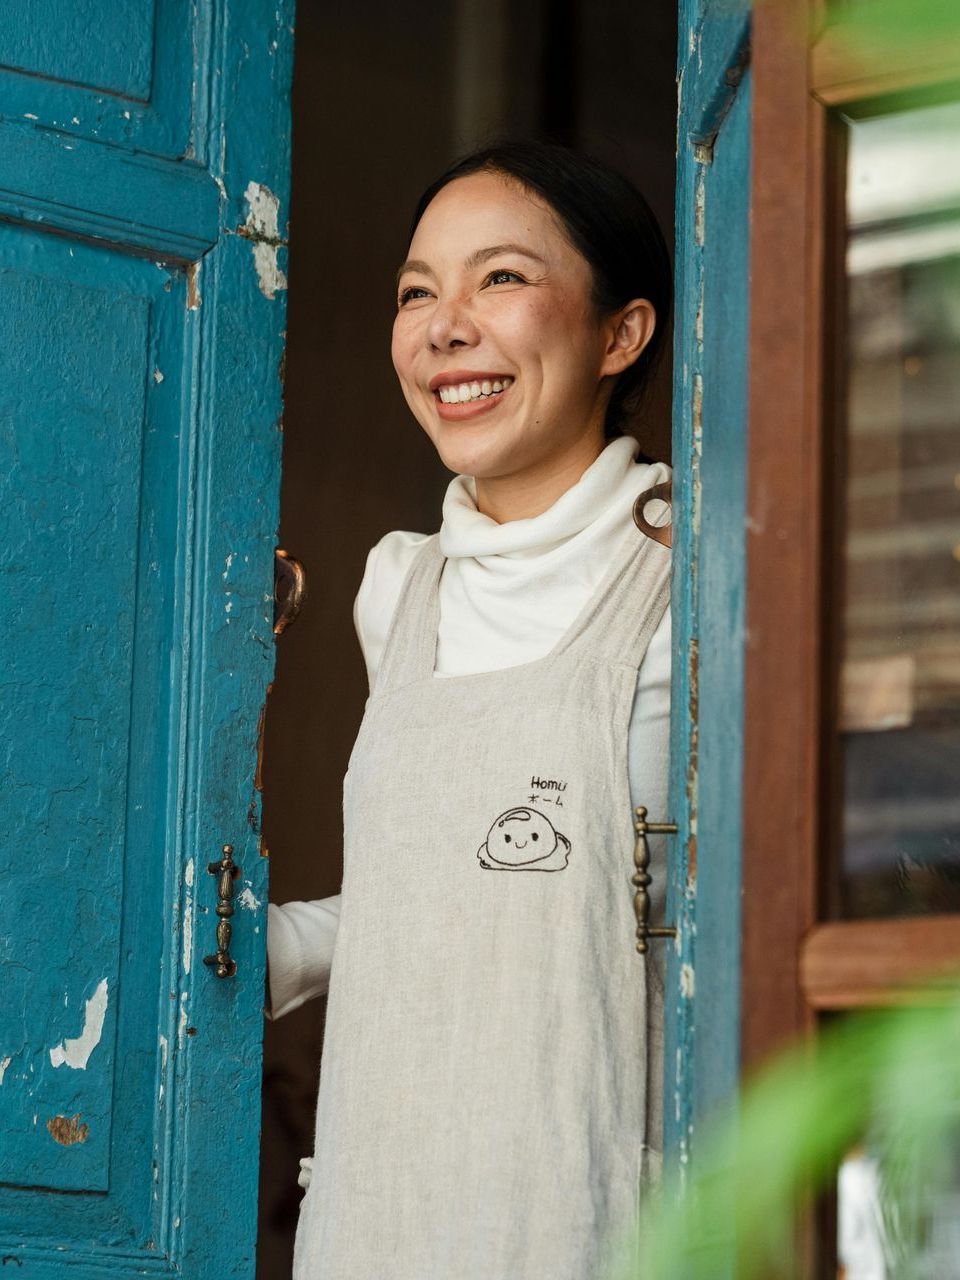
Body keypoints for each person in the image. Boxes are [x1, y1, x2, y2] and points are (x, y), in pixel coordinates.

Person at [266, 139, 674, 1279]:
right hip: (385, 1209)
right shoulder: (399, 586)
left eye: (499, 278)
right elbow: (463, 887)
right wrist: (259, 948)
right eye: (416, 292)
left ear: (621, 334)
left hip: (594, 1212)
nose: (444, 327)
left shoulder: (694, 575)